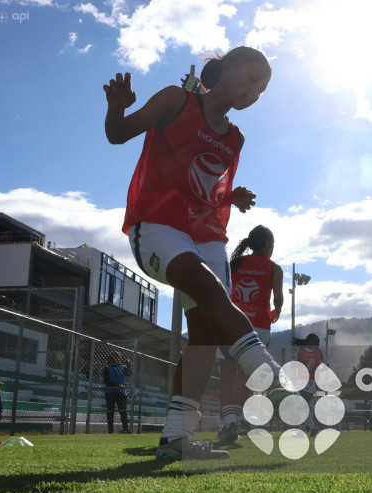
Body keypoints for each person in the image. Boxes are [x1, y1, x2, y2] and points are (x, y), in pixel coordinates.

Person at [104, 46, 282, 460]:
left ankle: (176, 438)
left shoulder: (235, 138)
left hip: (206, 235)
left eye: (263, 89)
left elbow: (206, 184)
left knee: (203, 335)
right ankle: (264, 368)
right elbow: (117, 134)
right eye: (253, 78)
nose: (256, 91)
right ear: (227, 68)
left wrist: (230, 196)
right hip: (158, 225)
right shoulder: (175, 99)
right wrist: (116, 108)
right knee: (206, 284)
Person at [217, 225, 283, 445]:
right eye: (272, 243)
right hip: (259, 329)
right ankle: (235, 422)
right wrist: (277, 312)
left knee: (227, 377)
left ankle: (228, 423)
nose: (272, 248)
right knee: (246, 380)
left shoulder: (235, 263)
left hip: (232, 325)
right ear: (266, 244)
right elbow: (278, 299)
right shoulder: (274, 268)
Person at [103, 354, 132, 434]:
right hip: (110, 392)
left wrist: (128, 364)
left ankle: (125, 429)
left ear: (119, 358)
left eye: (116, 357)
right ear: (110, 359)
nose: (114, 359)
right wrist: (116, 385)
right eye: (112, 357)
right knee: (110, 411)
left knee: (123, 411)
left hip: (121, 392)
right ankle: (110, 431)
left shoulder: (123, 367)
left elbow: (129, 373)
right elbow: (107, 381)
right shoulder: (106, 368)